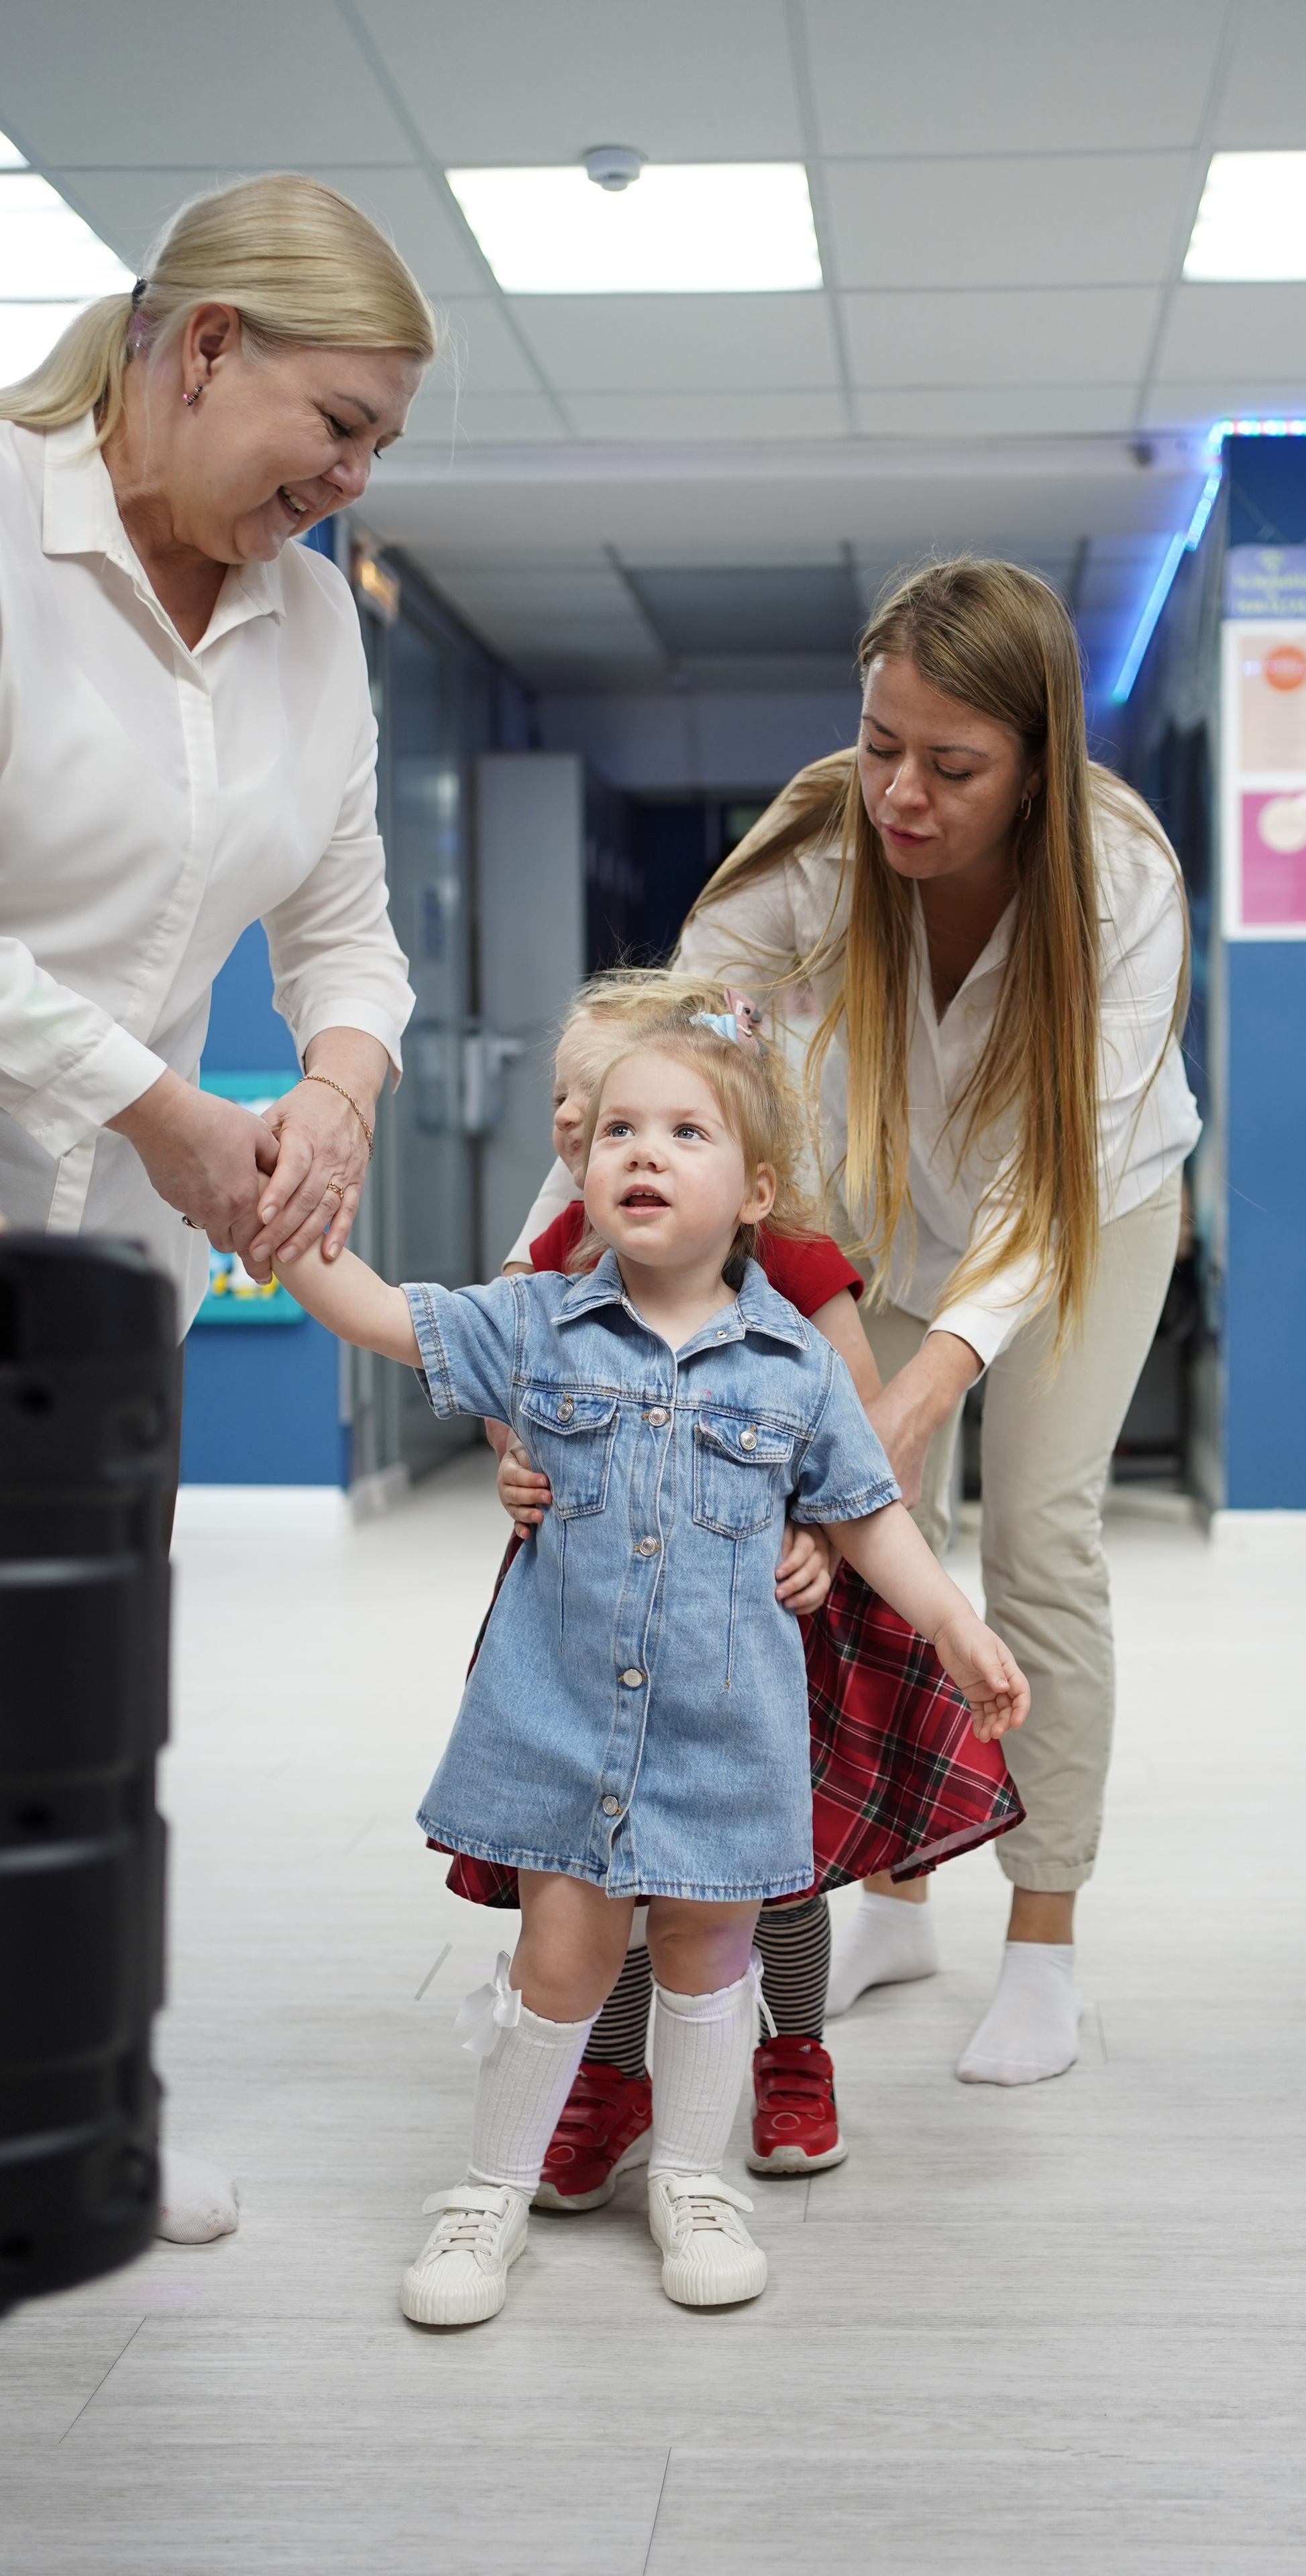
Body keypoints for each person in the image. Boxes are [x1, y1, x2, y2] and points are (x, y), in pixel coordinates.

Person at [285, 1012, 1029, 2322]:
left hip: (724, 1728)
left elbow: (864, 1512)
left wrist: (957, 1627)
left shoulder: (791, 1360)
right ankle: (488, 2197)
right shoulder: (534, 1325)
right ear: (582, 1168)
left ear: (751, 1191)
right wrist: (288, 1228)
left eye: (685, 1132)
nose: (642, 1152)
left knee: (705, 1954)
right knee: (561, 1960)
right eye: (618, 1129)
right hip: (563, 1724)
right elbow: (386, 1317)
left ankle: (690, 2178)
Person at [0, 172, 433, 2238]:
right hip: (84, 1149)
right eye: (335, 426)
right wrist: (166, 1101)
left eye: (380, 452)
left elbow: (348, 931)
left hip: (106, 1274)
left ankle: (79, 2107)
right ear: (200, 349)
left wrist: (330, 1095)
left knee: (74, 1711)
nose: (347, 483)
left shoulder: (313, 629)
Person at [684, 559, 1199, 2085]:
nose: (900, 792)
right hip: (873, 1203)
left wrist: (914, 1394)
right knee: (873, 1537)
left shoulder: (1119, 879)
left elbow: (1053, 1183)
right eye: (877, 741)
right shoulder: (811, 853)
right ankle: (895, 1895)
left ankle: (1039, 1940)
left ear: (1036, 762)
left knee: (1036, 1533)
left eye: (952, 766)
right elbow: (680, 1055)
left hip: (1092, 1209)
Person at [469, 970, 1024, 2208]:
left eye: (613, 1102)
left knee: (762, 1868)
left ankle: (792, 2047)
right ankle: (613, 2076)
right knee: (606, 1858)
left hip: (762, 1615)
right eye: (577, 1109)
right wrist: (512, 1462)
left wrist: (823, 1541)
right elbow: (520, 1394)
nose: (579, 1127)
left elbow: (845, 1440)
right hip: (604, 1614)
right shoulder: (565, 1253)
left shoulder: (796, 1264)